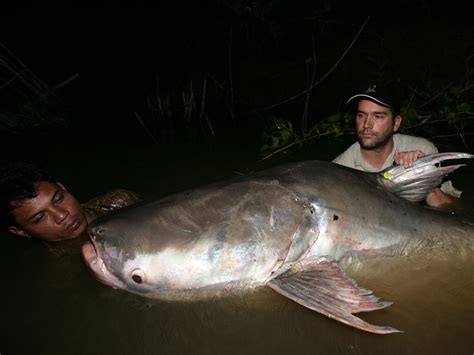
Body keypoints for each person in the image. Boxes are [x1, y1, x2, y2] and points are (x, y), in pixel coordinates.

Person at [332, 84, 461, 209]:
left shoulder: (422, 149)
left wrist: (422, 180)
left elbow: (457, 209)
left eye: (378, 116)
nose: (366, 124)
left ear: (396, 123)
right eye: (361, 115)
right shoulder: (338, 170)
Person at [0, 162, 141, 242]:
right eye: (40, 217)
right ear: (20, 232)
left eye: (58, 199)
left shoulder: (121, 201)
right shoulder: (58, 269)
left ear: (62, 187)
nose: (62, 215)